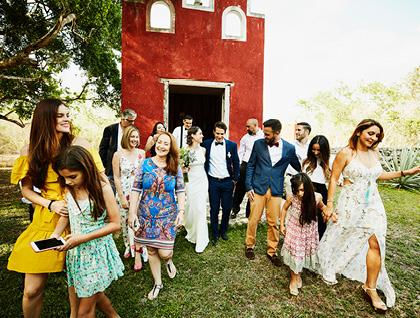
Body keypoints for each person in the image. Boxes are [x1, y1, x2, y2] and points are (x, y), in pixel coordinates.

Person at [7, 99, 105, 318]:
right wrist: (51, 204)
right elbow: (27, 191)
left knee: (80, 288)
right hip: (46, 218)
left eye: (68, 114)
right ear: (45, 118)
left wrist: (79, 202)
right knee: (32, 290)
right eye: (61, 115)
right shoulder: (30, 149)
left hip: (80, 219)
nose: (67, 119)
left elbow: (100, 180)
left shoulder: (81, 143)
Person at [318, 119, 420, 313]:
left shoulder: (374, 152)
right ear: (359, 132)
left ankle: (370, 288)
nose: (373, 138)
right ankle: (330, 263)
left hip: (373, 203)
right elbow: (333, 178)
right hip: (351, 202)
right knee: (343, 234)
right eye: (370, 133)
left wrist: (406, 172)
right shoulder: (346, 153)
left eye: (377, 135)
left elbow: (377, 175)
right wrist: (329, 204)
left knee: (376, 242)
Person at [52, 146, 123, 318]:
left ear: (86, 169)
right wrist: (55, 235)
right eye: (64, 177)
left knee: (84, 311)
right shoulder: (70, 188)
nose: (67, 181)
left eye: (72, 177)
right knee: (94, 293)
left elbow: (115, 224)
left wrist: (82, 238)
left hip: (95, 254)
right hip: (77, 254)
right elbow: (67, 215)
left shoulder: (102, 189)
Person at [128, 132, 185, 300]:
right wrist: (132, 213)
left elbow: (180, 190)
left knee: (165, 252)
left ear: (170, 147)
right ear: (155, 144)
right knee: (152, 250)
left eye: (166, 143)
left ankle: (168, 261)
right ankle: (158, 283)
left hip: (167, 215)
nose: (161, 146)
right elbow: (136, 189)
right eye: (159, 142)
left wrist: (181, 211)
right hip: (146, 214)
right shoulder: (145, 164)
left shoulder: (175, 166)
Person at [244, 119, 301, 266]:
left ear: (277, 133)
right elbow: (250, 165)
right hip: (257, 188)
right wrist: (248, 186)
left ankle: (272, 251)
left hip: (275, 190)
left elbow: (297, 165)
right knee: (253, 219)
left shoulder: (289, 148)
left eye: (268, 134)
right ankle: (249, 246)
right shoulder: (258, 144)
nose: (265, 136)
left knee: (273, 222)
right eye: (264, 133)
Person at [279, 173, 329, 296]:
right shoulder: (292, 198)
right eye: (298, 190)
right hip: (294, 228)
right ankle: (293, 278)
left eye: (302, 190)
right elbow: (284, 209)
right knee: (295, 253)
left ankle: (298, 275)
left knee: (301, 254)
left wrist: (329, 213)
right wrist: (281, 224)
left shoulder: (317, 197)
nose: (300, 193)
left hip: (308, 230)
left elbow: (323, 208)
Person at [112, 126, 147, 270]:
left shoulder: (142, 153)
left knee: (137, 221)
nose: (135, 139)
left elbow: (143, 175)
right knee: (125, 220)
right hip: (124, 191)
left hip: (138, 191)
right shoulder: (118, 155)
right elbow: (116, 176)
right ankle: (128, 246)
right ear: (126, 137)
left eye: (137, 137)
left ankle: (140, 250)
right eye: (132, 136)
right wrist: (121, 196)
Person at [203, 122, 239, 245]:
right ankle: (214, 233)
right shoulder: (206, 144)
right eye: (217, 133)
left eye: (222, 134)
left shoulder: (232, 145)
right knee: (214, 209)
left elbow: (236, 162)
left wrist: (235, 179)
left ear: (225, 133)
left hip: (227, 181)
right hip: (213, 181)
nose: (219, 136)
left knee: (227, 208)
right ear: (214, 132)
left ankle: (223, 231)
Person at [231, 118, 264, 219]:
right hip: (245, 165)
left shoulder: (263, 136)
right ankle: (234, 209)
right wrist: (239, 166)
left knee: (253, 189)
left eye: (248, 126)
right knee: (240, 189)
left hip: (258, 166)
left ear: (255, 125)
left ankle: (249, 214)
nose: (246, 128)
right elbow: (240, 153)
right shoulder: (245, 138)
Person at [183, 126, 209, 253]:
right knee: (191, 208)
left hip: (202, 181)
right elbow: (183, 173)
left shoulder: (203, 150)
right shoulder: (185, 151)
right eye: (200, 133)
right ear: (192, 136)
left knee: (200, 209)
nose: (202, 136)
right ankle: (192, 231)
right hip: (191, 183)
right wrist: (186, 184)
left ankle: (202, 240)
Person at [302, 135, 331, 239]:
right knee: (307, 217)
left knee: (321, 219)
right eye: (313, 149)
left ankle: (320, 241)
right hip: (309, 189)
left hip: (323, 191)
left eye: (319, 150)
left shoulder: (330, 162)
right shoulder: (307, 162)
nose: (315, 152)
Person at [99, 108, 137, 181]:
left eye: (133, 121)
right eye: (130, 121)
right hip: (111, 168)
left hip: (128, 168)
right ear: (122, 119)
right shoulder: (110, 129)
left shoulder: (133, 130)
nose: (132, 123)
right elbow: (103, 149)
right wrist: (104, 167)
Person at [284, 122, 311, 196]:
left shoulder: (312, 146)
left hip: (307, 181)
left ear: (307, 131)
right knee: (291, 205)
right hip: (291, 180)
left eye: (299, 130)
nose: (296, 132)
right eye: (295, 130)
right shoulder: (290, 145)